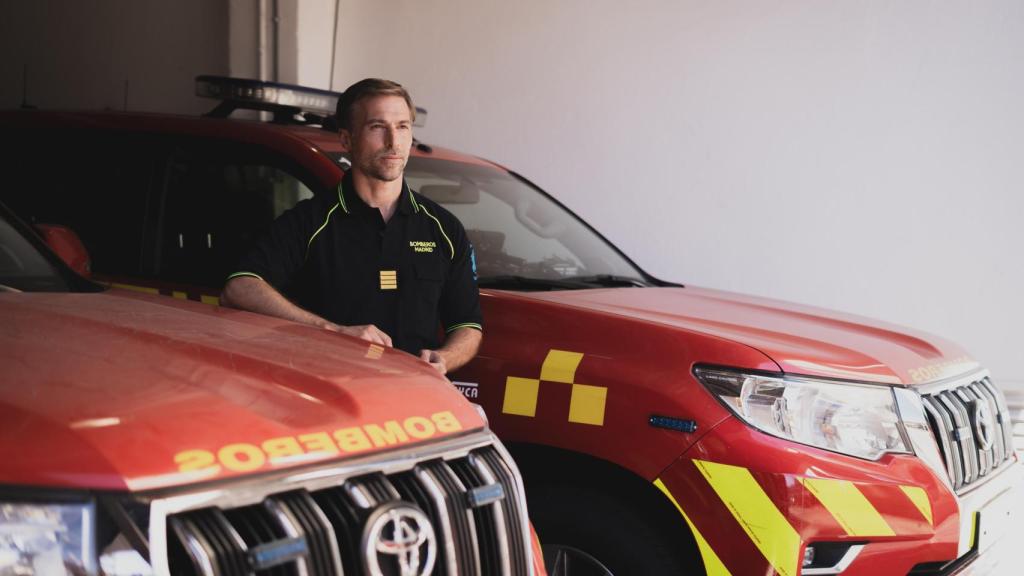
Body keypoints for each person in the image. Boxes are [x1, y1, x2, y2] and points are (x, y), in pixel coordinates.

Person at [221, 78, 482, 375]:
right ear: (346, 139)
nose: (393, 142)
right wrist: (332, 331)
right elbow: (239, 288)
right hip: (330, 393)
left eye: (402, 127)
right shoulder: (310, 221)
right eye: (377, 127)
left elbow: (468, 326)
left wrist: (445, 359)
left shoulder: (443, 229)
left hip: (414, 401)